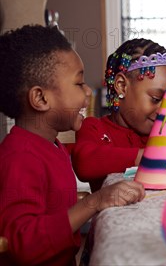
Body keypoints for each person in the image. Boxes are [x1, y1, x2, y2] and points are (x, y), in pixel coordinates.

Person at [0, 25, 145, 266]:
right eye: (79, 84)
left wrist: (77, 200)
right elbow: (22, 243)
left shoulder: (49, 145)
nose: (88, 91)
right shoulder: (20, 158)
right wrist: (94, 202)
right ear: (41, 98)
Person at [72, 39, 166, 192]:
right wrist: (148, 156)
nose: (165, 110)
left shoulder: (164, 133)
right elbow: (84, 164)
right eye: (156, 99)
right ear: (121, 86)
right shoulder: (93, 128)